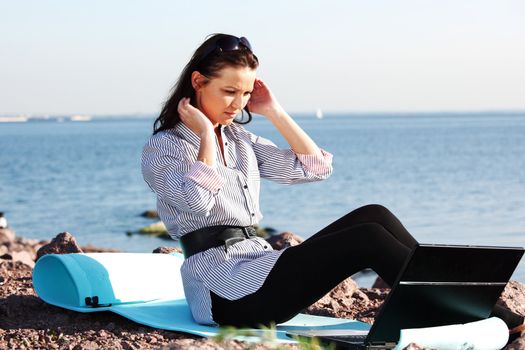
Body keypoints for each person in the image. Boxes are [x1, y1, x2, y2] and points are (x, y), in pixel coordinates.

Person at [141, 33, 418, 328]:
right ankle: (438, 304)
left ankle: (447, 287)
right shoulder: (163, 147)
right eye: (229, 91)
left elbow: (316, 168)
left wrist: (274, 111)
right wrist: (207, 135)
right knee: (368, 238)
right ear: (198, 82)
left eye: (246, 94)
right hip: (224, 289)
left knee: (374, 215)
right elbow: (197, 201)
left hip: (258, 264)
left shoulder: (239, 139)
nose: (238, 104)